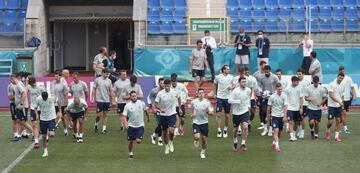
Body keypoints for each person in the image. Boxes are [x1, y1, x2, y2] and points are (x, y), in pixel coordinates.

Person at [155, 79, 182, 154]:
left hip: (172, 114)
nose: (166, 87)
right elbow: (156, 103)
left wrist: (179, 108)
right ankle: (166, 146)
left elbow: (179, 98)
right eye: (165, 86)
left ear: (170, 85)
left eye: (168, 86)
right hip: (163, 115)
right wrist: (160, 108)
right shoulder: (160, 93)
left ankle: (171, 142)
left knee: (171, 130)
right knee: (164, 133)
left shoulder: (174, 92)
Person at [122, 91, 150, 160]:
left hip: (140, 125)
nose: (134, 97)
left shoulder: (141, 103)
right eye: (133, 96)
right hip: (131, 126)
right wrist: (125, 124)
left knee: (138, 141)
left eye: (135, 96)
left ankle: (136, 137)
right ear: (130, 97)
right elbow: (124, 116)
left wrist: (148, 117)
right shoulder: (127, 106)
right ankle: (130, 153)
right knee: (130, 141)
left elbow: (146, 110)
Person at [188, 88, 214, 159]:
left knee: (204, 140)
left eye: (202, 93)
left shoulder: (207, 102)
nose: (201, 94)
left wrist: (208, 112)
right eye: (199, 93)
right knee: (197, 136)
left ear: (204, 94)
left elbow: (212, 113)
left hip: (205, 123)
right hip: (196, 122)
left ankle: (202, 152)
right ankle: (196, 140)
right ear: (197, 94)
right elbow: (189, 107)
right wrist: (191, 114)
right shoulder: (194, 101)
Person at [228, 77, 252, 152]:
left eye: (245, 82)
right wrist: (238, 101)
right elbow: (229, 100)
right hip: (236, 113)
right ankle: (235, 141)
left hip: (244, 111)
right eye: (243, 82)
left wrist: (248, 107)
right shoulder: (235, 91)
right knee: (235, 129)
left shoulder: (248, 90)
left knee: (245, 126)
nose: (244, 83)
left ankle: (243, 143)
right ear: (239, 82)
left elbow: (248, 99)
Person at [9, 74, 33, 142]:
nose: (10, 81)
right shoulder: (16, 85)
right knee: (19, 121)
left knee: (23, 122)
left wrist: (21, 104)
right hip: (18, 106)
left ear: (14, 78)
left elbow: (24, 93)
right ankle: (19, 136)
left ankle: (34, 134)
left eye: (11, 79)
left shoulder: (19, 84)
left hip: (22, 106)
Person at [33, 92, 57, 157]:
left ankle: (50, 132)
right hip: (43, 119)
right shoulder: (38, 99)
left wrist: (60, 111)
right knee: (43, 136)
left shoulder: (51, 97)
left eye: (45, 98)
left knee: (51, 134)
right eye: (44, 98)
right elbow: (35, 107)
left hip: (51, 118)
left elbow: (58, 101)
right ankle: (45, 151)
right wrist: (37, 115)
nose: (45, 99)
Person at [92, 68, 116, 134]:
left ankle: (104, 129)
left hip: (107, 100)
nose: (107, 75)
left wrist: (113, 100)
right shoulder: (97, 80)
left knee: (105, 114)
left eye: (108, 74)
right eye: (106, 73)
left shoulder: (109, 81)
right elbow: (94, 88)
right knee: (98, 115)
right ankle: (96, 124)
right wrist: (92, 97)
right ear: (103, 73)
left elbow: (111, 91)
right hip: (99, 100)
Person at [213, 65, 234, 138]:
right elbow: (215, 85)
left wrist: (231, 87)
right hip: (220, 97)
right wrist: (214, 93)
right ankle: (219, 130)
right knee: (218, 114)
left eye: (229, 69)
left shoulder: (231, 77)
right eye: (227, 69)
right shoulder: (218, 77)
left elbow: (234, 85)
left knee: (227, 115)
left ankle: (225, 129)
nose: (229, 70)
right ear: (223, 70)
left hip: (228, 98)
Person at [257, 65, 279, 136]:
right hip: (264, 97)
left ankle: (270, 128)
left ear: (270, 70)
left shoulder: (274, 77)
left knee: (272, 113)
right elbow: (259, 86)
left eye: (267, 71)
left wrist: (275, 92)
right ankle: (265, 128)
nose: (266, 73)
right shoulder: (261, 77)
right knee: (263, 111)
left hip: (272, 97)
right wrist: (261, 91)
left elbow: (278, 85)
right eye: (265, 71)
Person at [266, 83, 288, 152]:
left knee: (279, 132)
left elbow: (285, 106)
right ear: (276, 89)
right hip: (274, 116)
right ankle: (277, 146)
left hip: (281, 116)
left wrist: (285, 116)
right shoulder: (272, 97)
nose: (280, 90)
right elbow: (269, 107)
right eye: (279, 89)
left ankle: (274, 141)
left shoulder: (284, 96)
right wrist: (267, 116)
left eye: (281, 89)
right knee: (276, 130)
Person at [27, 77, 46, 148]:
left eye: (32, 83)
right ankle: (36, 141)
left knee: (43, 123)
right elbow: (24, 91)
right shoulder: (29, 87)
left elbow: (45, 97)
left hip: (41, 108)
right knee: (34, 124)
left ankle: (45, 136)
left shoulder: (41, 88)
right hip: (33, 108)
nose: (31, 85)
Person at [326, 74, 345, 142]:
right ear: (337, 77)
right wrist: (339, 101)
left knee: (338, 120)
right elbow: (331, 95)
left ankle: (336, 136)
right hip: (331, 106)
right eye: (340, 78)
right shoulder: (331, 84)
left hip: (338, 107)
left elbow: (342, 95)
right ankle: (327, 130)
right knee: (330, 122)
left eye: (342, 78)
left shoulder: (342, 86)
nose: (340, 79)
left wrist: (341, 102)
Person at [338, 66, 356, 134]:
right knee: (343, 113)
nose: (343, 72)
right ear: (339, 71)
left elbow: (352, 87)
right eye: (341, 71)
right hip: (340, 99)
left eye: (343, 71)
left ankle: (338, 127)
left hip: (347, 99)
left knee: (343, 114)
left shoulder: (348, 78)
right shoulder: (338, 79)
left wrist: (354, 95)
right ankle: (345, 128)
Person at [284, 76, 303, 141]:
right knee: (291, 122)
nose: (298, 83)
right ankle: (291, 136)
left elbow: (301, 99)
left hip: (297, 108)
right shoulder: (287, 89)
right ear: (293, 81)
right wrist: (285, 109)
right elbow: (285, 99)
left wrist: (301, 108)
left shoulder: (299, 88)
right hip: (289, 108)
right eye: (297, 82)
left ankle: (293, 134)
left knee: (296, 123)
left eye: (298, 82)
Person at [51, 70, 69, 136]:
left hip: (62, 103)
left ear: (60, 76)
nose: (56, 78)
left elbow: (66, 95)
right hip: (54, 103)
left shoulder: (63, 84)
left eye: (57, 76)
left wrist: (66, 105)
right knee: (53, 117)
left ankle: (65, 129)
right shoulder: (52, 83)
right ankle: (52, 129)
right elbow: (52, 94)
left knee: (63, 118)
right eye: (55, 76)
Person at [148, 78, 165, 146]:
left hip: (164, 110)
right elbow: (148, 97)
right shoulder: (154, 90)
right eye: (161, 83)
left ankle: (154, 135)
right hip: (157, 110)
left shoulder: (166, 90)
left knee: (162, 125)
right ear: (158, 83)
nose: (162, 84)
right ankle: (160, 140)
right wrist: (151, 107)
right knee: (160, 125)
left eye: (163, 83)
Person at [296, 69, 311, 139]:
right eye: (297, 74)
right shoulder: (295, 83)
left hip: (304, 103)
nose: (298, 75)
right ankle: (299, 130)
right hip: (297, 103)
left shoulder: (307, 83)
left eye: (300, 74)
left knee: (303, 118)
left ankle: (302, 131)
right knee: (298, 119)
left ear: (303, 74)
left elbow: (310, 92)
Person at [244, 67, 258, 132]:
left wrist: (255, 96)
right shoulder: (242, 79)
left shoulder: (253, 79)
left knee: (253, 112)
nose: (247, 73)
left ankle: (248, 121)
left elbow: (255, 89)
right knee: (246, 111)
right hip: (244, 98)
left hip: (252, 98)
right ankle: (247, 124)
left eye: (248, 72)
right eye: (246, 72)